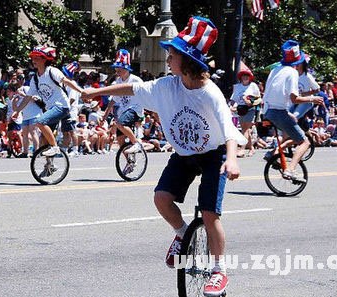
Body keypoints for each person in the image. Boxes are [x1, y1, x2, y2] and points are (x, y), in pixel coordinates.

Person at [82, 16, 246, 296]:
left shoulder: (210, 94)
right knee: (161, 198)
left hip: (213, 154)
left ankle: (219, 271)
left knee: (209, 214)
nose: (168, 60)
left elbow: (230, 130)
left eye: (172, 56)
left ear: (186, 60)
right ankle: (182, 233)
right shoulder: (167, 86)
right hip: (184, 154)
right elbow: (133, 89)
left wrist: (231, 159)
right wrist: (97, 92)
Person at [262, 40, 323, 182]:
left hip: (269, 110)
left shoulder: (275, 70)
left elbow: (271, 94)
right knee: (305, 142)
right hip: (278, 111)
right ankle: (290, 170)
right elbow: (294, 99)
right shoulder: (292, 73)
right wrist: (312, 99)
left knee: (290, 135)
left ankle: (273, 154)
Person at [14, 46, 83, 157]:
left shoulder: (52, 71)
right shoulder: (35, 79)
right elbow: (27, 97)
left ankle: (55, 147)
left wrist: (81, 91)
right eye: (33, 58)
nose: (34, 60)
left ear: (45, 59)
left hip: (62, 106)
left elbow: (67, 81)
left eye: (37, 58)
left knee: (40, 121)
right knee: (43, 140)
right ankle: (49, 165)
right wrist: (18, 111)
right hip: (51, 108)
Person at [100, 49, 145, 154]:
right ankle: (130, 162)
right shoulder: (117, 82)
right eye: (116, 67)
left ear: (126, 68)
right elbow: (113, 101)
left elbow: (146, 96)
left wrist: (142, 116)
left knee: (120, 123)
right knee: (120, 140)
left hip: (135, 109)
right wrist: (105, 116)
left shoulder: (136, 81)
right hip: (123, 112)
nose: (117, 70)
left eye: (120, 68)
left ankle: (136, 143)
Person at [230, 66, 261, 157]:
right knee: (245, 129)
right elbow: (233, 98)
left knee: (245, 129)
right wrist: (231, 106)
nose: (245, 77)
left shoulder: (253, 86)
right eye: (243, 76)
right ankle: (251, 148)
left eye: (247, 75)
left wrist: (251, 102)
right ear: (241, 77)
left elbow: (258, 97)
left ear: (250, 77)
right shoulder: (237, 86)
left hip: (250, 109)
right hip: (240, 109)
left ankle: (242, 149)